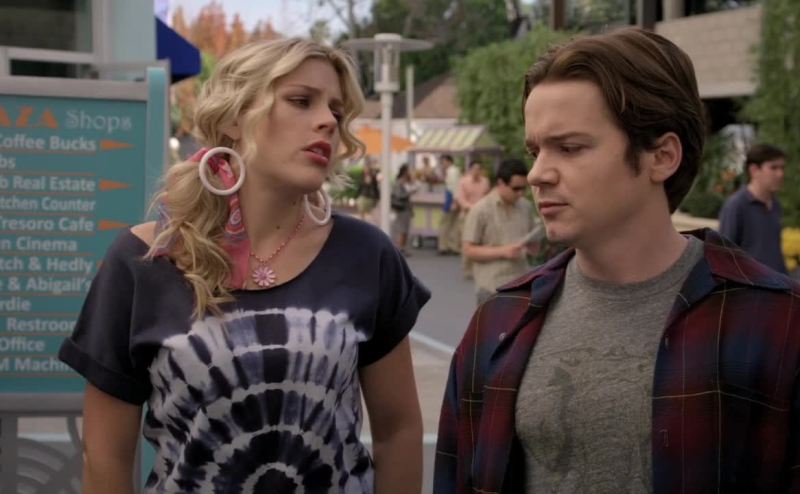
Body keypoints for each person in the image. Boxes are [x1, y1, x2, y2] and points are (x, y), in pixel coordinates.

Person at [435, 27, 800, 494]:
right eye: (535, 151)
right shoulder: (499, 323)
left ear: (661, 157)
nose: (537, 174)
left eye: (569, 148)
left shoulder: (777, 324)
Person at [59, 38, 430, 494]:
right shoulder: (143, 260)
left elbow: (398, 431)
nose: (328, 121)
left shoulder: (367, 254)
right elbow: (105, 456)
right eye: (301, 101)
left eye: (336, 110)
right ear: (233, 119)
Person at [461, 158, 541, 304]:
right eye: (516, 188)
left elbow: (532, 241)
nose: (520, 193)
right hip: (492, 287)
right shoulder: (480, 210)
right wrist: (503, 252)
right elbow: (468, 250)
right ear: (501, 183)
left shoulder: (526, 206)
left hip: (521, 283)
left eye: (524, 188)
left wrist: (533, 246)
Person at [718, 143, 787, 273]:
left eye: (782, 168)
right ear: (754, 170)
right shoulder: (736, 205)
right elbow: (724, 255)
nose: (780, 174)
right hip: (750, 283)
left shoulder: (775, 205)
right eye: (773, 168)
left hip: (777, 281)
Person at [391, 164, 419, 256]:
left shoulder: (406, 182)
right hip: (402, 208)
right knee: (403, 229)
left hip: (406, 208)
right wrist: (409, 193)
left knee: (405, 229)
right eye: (409, 170)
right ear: (405, 171)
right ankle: (400, 249)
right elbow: (399, 195)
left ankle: (402, 248)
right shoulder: (400, 182)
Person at [437, 154, 462, 255]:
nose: (442, 164)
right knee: (454, 224)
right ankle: (454, 246)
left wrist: (454, 202)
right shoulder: (455, 171)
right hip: (454, 199)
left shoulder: (452, 171)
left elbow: (454, 187)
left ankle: (444, 246)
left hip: (451, 200)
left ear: (448, 161)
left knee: (445, 224)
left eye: (443, 162)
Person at [356, 157, 380, 222]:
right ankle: (362, 222)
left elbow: (375, 187)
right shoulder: (362, 176)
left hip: (370, 197)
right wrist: (357, 196)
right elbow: (360, 187)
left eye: (367, 167)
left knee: (370, 214)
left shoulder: (373, 176)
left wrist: (377, 198)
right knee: (362, 212)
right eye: (365, 167)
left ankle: (367, 223)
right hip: (363, 196)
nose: (365, 169)